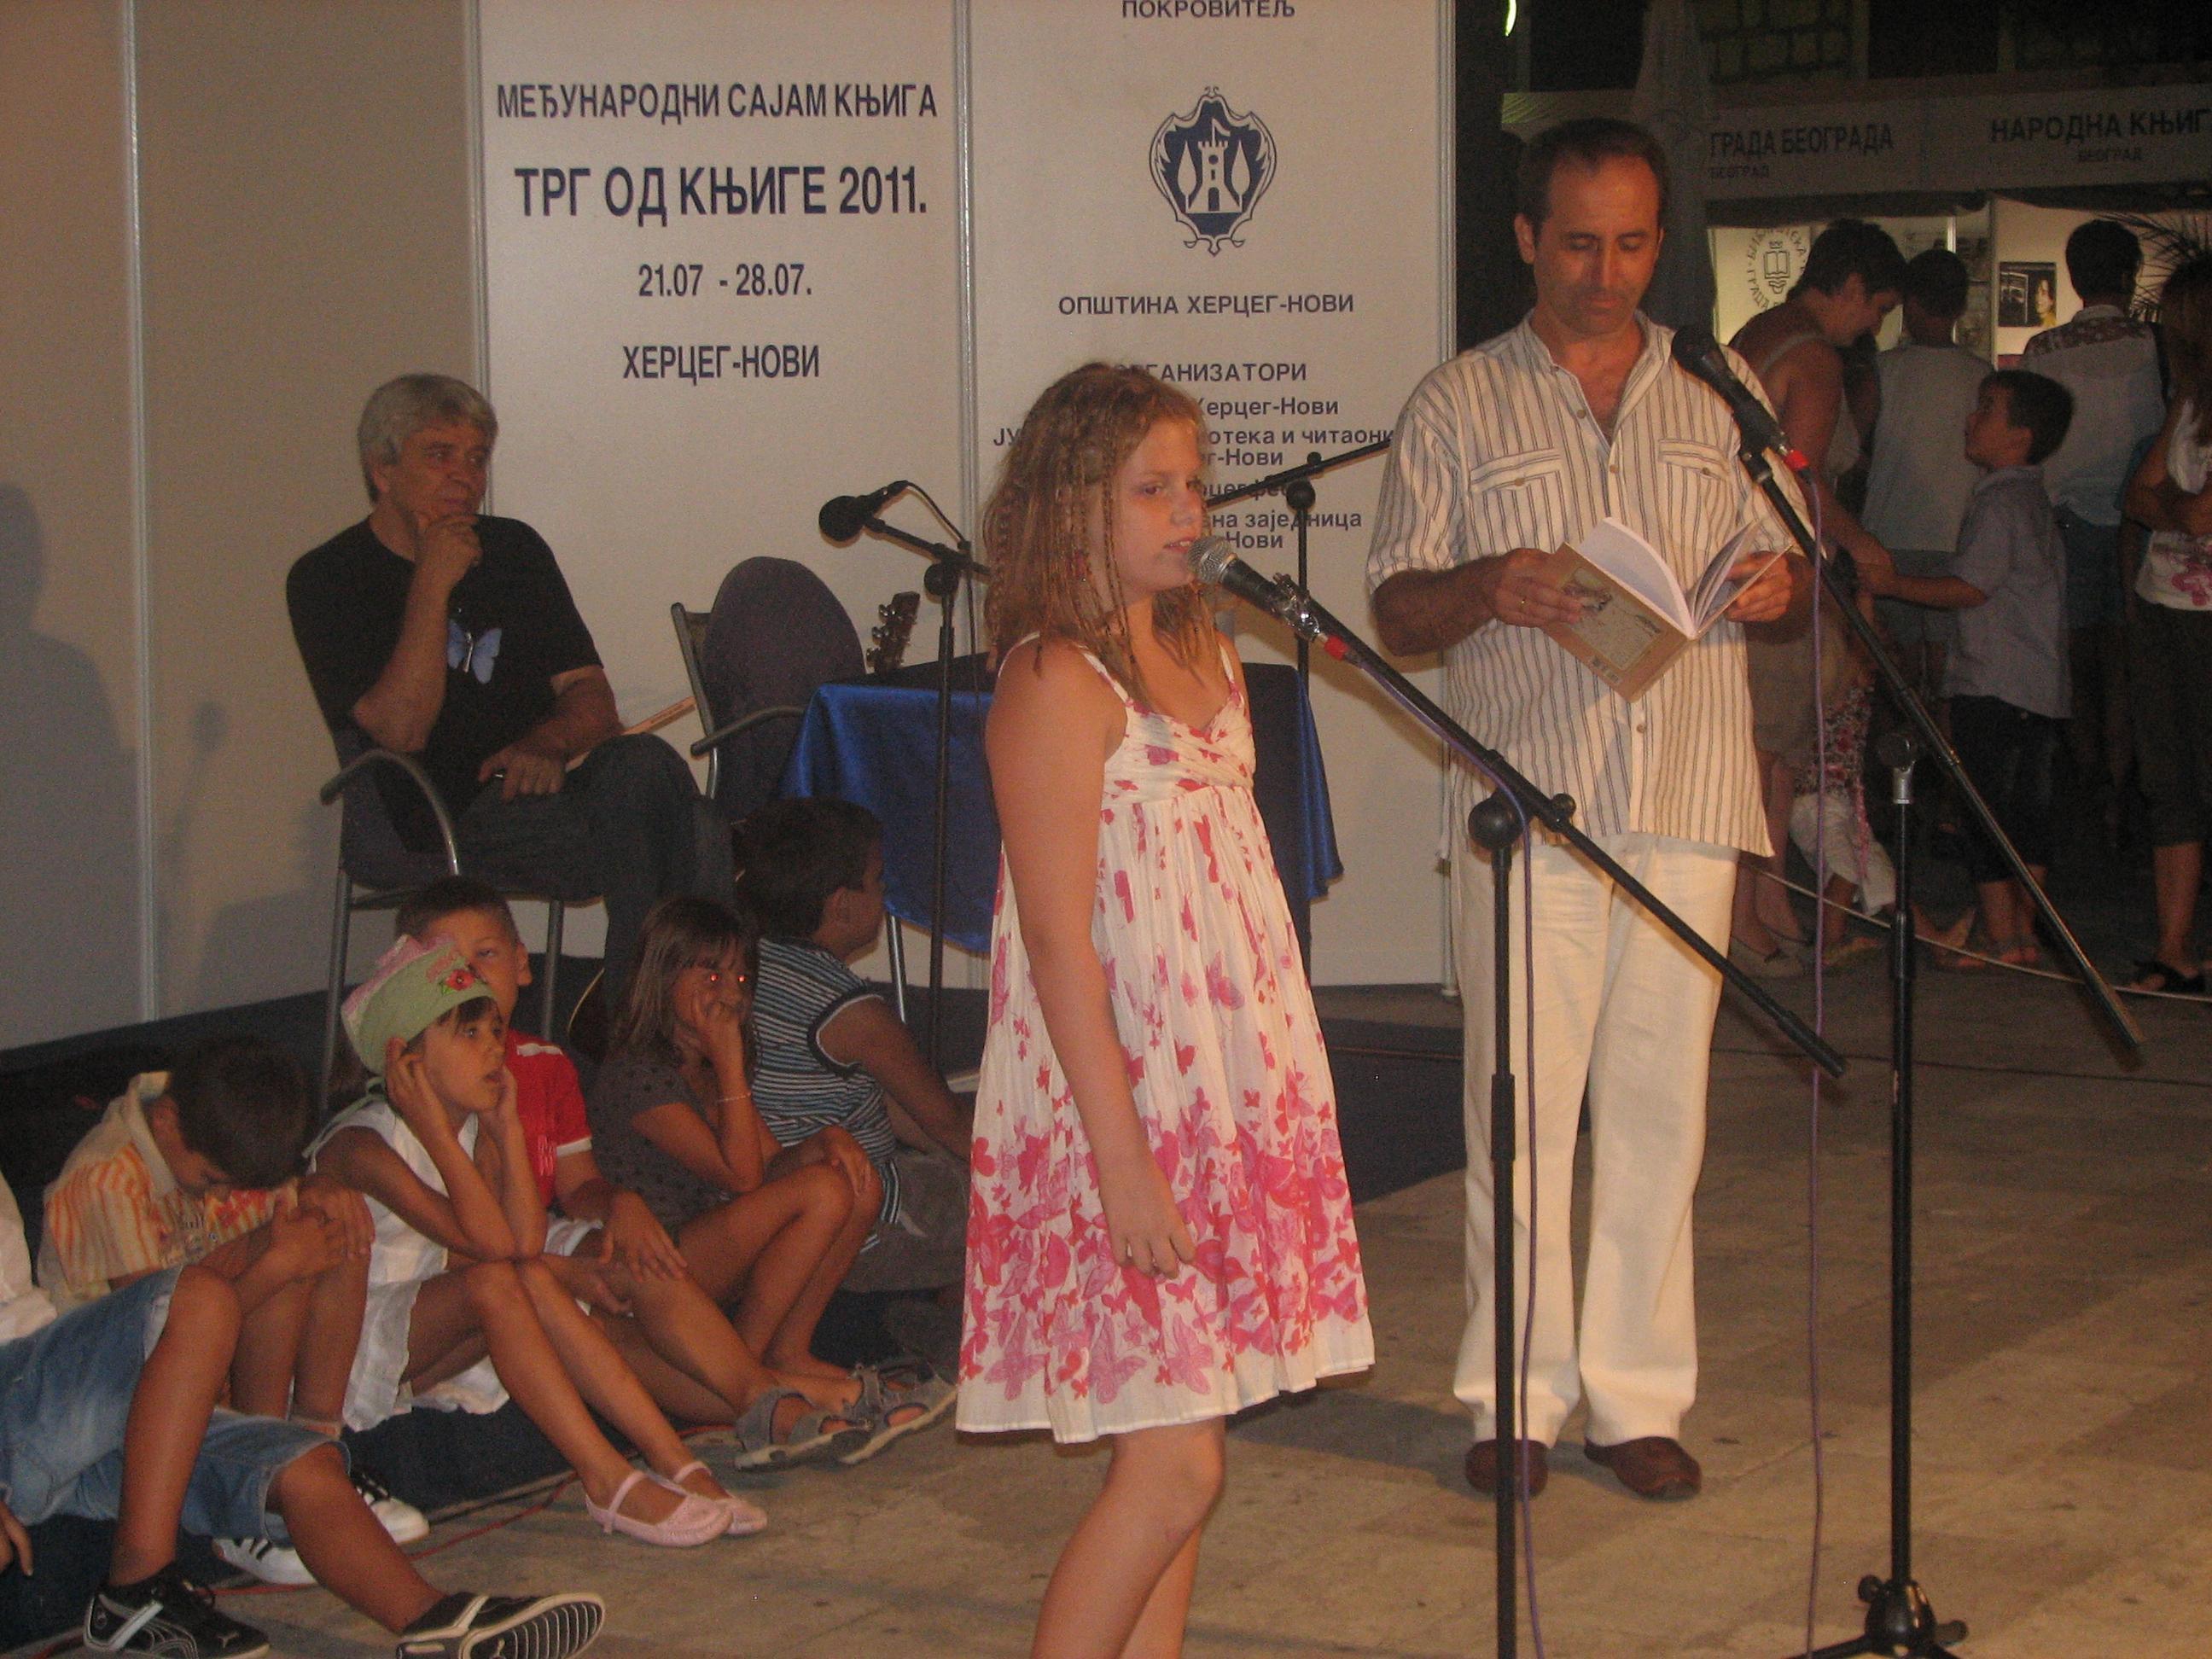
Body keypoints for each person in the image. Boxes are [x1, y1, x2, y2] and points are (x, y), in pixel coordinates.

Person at [1366, 116, 1806, 1503]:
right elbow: (1396, 608)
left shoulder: (1719, 386)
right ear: (1524, 239)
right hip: (1532, 802)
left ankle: (1635, 1396)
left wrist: (1777, 584)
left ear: (1659, 241)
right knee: (1520, 1111)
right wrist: (1487, 582)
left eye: (1628, 244)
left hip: (1684, 792)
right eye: (1576, 243)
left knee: (1660, 1114)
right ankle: (1515, 1394)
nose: (1604, 273)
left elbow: (1786, 560)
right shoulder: (1457, 401)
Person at [960, 360, 1372, 1656]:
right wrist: (1122, 1162)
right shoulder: (1053, 678)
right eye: (1153, 489)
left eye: (1194, 485)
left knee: (1189, 1447)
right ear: (1072, 503)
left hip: (1220, 1086)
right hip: (1121, 1099)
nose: (1189, 511)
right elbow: (1054, 941)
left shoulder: (1203, 645)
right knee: (1174, 1467)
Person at [0, 1179, 605, 1659]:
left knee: (303, 1463)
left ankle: (436, 1623)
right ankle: (136, 1586)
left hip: (77, 1425)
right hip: (18, 1400)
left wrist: (276, 1245)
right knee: (200, 1298)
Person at [286, 373, 731, 1004]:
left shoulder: (515, 550)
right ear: (381, 470)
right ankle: (670, 1022)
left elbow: (592, 700)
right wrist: (432, 581)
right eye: (440, 455)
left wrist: (546, 744)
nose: (464, 477)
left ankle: (651, 1018)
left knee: (648, 768)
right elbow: (402, 730)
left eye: (477, 459)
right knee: (697, 829)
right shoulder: (327, 577)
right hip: (438, 812)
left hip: (547, 794)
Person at [395, 876, 865, 1466]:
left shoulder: (546, 1064)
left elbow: (578, 1188)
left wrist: (618, 1201)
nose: (469, 975)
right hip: (476, 1265)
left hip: (550, 1240)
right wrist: (569, 1261)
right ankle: (774, 1394)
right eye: (448, 962)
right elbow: (464, 1243)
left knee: (829, 1184)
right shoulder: (423, 1079)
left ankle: (768, 1396)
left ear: (520, 963)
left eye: (485, 955)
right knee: (631, 1274)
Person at [310, 936, 752, 1547]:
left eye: (496, 1031)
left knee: (530, 1276)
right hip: (349, 1344)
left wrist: (505, 1131)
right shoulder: (363, 1144)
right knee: (502, 1282)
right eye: (470, 1034)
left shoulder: (474, 1132)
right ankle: (606, 1479)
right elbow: (493, 1250)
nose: (495, 1048)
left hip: (432, 1331)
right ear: (403, 1058)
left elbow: (523, 1241)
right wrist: (439, 1133)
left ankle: (674, 1461)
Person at [37, 1038, 427, 1584]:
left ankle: (316, 1448)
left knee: (328, 1223)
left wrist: (318, 1189)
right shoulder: (106, 1179)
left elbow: (280, 1221)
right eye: (212, 1182)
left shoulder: (219, 1122)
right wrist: (275, 1266)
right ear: (166, 1122)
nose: (220, 1201)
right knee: (281, 1262)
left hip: (208, 1350)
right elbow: (156, 1340)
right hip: (120, 1394)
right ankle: (249, 1503)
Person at [585, 896, 936, 1463]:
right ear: (665, 975)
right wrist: (730, 1063)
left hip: (709, 1248)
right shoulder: (638, 1076)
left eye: (741, 977)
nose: (729, 991)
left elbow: (772, 1164)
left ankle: (787, 1353)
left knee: (854, 1181)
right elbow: (742, 1176)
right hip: (657, 1265)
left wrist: (824, 1142)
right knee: (822, 1190)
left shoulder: (708, 1070)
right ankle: (749, 1372)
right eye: (711, 974)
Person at [1729, 218, 1907, 973]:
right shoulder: (1815, 357)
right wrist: (1860, 544)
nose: (1874, 327)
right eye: (1877, 309)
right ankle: (1742, 915)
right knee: (1766, 750)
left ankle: (1767, 902)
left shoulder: (1759, 332)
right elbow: (1796, 481)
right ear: (1852, 287)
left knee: (1774, 754)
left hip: (1745, 561)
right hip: (1778, 565)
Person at [735, 796, 972, 1360]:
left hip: (778, 1202)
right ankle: (961, 1324)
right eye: (878, 880)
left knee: (957, 1167)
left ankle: (939, 1312)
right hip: (856, 1225)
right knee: (1017, 1200)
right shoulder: (849, 1010)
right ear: (842, 904)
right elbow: (947, 1122)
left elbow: (887, 1105)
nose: (884, 895)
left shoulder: (756, 965)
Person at [1862, 370, 2076, 966]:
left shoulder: (2000, 501)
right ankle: (2021, 933)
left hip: (1995, 681)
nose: (1971, 420)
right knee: (2026, 813)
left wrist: (1892, 584)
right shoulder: (2030, 499)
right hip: (2036, 683)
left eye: (1987, 409)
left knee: (1984, 811)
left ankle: (2003, 935)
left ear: (2020, 435)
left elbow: (1970, 587)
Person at [2026, 221, 2170, 851]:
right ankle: (2121, 781)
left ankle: (2088, 780)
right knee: (2129, 662)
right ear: (2130, 276)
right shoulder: (2155, 345)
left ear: (2074, 276)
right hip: (2142, 523)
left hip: (2065, 521)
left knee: (2076, 660)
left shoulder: (2045, 349)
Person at [2119, 256, 2212, 994]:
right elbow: (2136, 496)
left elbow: (2191, 510)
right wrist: (2179, 506)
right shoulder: (2188, 402)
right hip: (2165, 604)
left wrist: (2172, 505)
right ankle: (2173, 946)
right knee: (2169, 780)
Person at [1862, 247, 1989, 713]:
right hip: (1956, 533)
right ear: (1961, 307)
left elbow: (1859, 447)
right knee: (1946, 663)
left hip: (1888, 532)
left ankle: (1906, 744)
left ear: (1909, 304)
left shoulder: (1884, 370)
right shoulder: (1981, 376)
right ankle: (1945, 742)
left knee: (1897, 663)